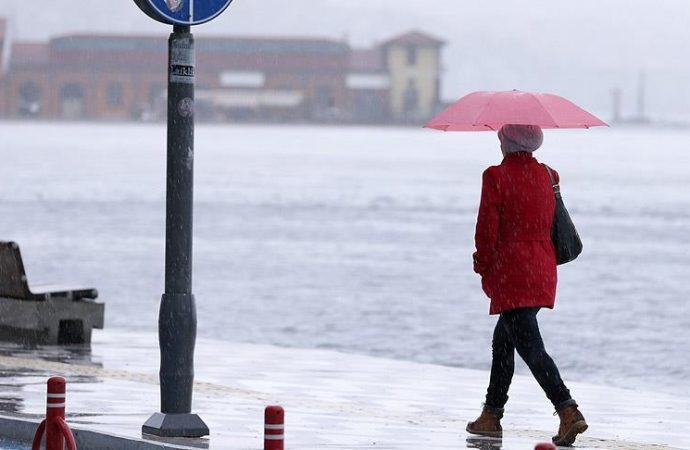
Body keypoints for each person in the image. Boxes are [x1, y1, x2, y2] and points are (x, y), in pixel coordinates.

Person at [466, 124, 587, 446]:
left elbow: (486, 229)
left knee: (530, 347)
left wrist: (482, 266)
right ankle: (491, 416)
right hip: (542, 268)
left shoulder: (495, 176)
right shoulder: (549, 174)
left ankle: (567, 409)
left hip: (511, 270)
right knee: (504, 342)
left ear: (505, 141)